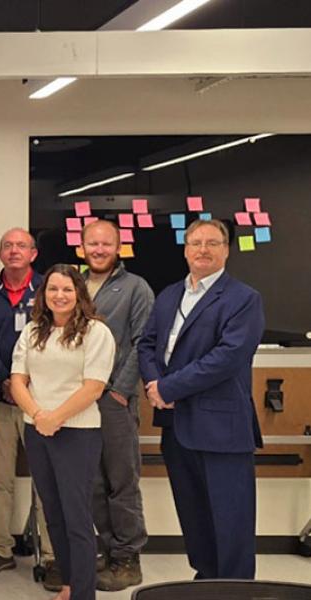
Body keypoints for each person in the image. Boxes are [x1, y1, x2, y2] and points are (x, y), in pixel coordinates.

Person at [137, 219, 264, 580]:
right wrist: (153, 384)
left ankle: (235, 587)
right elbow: (147, 344)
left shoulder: (244, 299)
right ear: (185, 249)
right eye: (195, 243)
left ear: (226, 249)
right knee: (193, 512)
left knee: (231, 516)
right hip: (177, 427)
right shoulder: (169, 295)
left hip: (221, 427)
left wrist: (169, 388)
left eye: (212, 243)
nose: (203, 250)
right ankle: (206, 578)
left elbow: (226, 357)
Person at [11, 264, 116, 600]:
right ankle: (70, 583)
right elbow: (17, 381)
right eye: (53, 289)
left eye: (67, 289)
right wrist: (39, 414)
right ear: (43, 294)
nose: (60, 295)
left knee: (76, 516)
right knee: (53, 514)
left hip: (77, 433)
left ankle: (84, 593)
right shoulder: (32, 331)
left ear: (79, 294)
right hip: (38, 430)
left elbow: (94, 387)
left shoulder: (95, 332)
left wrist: (55, 417)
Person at [0, 228, 52, 578]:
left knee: (48, 481)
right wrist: (5, 383)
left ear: (33, 253)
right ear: (0, 252)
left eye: (22, 246)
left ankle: (52, 554)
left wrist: (26, 382)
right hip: (1, 400)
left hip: (44, 402)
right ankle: (0, 546)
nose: (15, 251)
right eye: (8, 246)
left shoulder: (52, 287)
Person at [80, 219, 154, 591]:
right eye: (92, 243)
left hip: (113, 399)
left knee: (121, 482)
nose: (98, 249)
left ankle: (128, 558)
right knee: (93, 482)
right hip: (79, 403)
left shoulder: (135, 287)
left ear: (119, 246)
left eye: (105, 244)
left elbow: (145, 343)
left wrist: (121, 391)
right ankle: (108, 551)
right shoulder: (74, 286)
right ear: (82, 247)